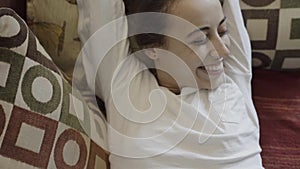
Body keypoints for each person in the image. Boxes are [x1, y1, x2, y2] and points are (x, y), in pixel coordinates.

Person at [78, 0, 264, 168]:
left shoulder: (234, 81)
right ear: (153, 48)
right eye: (200, 39)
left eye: (222, 32)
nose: (223, 51)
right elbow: (100, 8)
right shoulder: (126, 87)